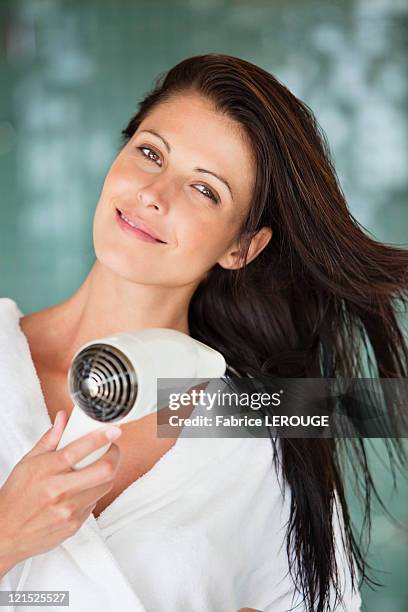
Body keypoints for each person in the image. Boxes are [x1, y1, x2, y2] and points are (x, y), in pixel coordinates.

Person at [0, 52, 407, 612]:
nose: (153, 194)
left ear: (242, 247)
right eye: (150, 153)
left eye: (205, 189)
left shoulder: (263, 428)